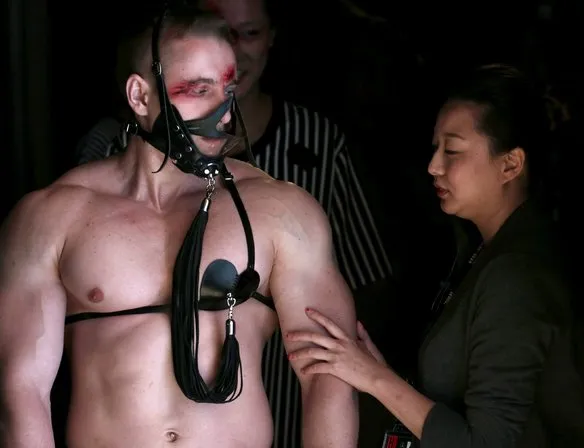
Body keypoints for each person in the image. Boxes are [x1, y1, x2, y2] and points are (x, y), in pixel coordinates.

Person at [0, 7, 359, 448]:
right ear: (139, 95)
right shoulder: (52, 216)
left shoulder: (280, 210)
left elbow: (331, 378)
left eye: (228, 89)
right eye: (199, 90)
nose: (223, 114)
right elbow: (21, 390)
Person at [285, 64, 584, 447]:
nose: (434, 166)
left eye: (453, 150)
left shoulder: (517, 275)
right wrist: (376, 372)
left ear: (510, 164)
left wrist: (375, 378)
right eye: (435, 148)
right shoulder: (483, 251)